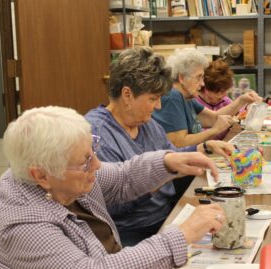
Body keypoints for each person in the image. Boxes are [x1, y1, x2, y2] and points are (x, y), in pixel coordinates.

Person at [0, 106, 225, 269]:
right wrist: (182, 235)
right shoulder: (21, 221)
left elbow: (122, 177)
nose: (95, 164)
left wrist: (169, 162)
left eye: (93, 151)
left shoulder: (62, 177)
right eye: (85, 160)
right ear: (40, 175)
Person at [85, 47, 235, 246]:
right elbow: (110, 205)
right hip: (132, 235)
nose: (158, 107)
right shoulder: (97, 134)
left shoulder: (147, 124)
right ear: (127, 95)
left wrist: (203, 148)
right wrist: (158, 173)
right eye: (153, 99)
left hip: (166, 218)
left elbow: (173, 157)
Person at [152, 48, 261, 147]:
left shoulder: (186, 97)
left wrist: (241, 101)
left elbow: (213, 118)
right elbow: (179, 143)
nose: (202, 83)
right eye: (198, 77)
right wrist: (214, 131)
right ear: (181, 77)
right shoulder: (172, 97)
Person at [195, 59, 262, 140]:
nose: (223, 95)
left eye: (225, 90)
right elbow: (200, 137)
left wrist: (250, 106)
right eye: (219, 92)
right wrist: (241, 101)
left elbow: (241, 115)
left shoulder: (224, 100)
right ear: (205, 88)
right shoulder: (195, 103)